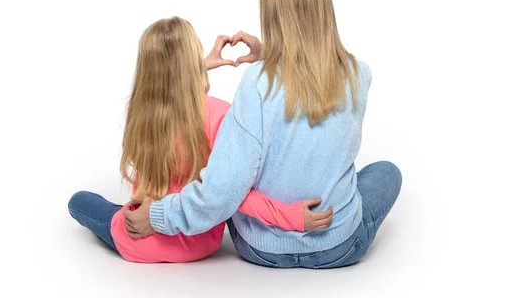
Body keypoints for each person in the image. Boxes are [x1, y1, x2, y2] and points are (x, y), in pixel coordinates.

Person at [124, 0, 402, 269]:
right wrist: (273, 53)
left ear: (273, 21)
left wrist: (158, 216)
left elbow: (223, 190)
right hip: (338, 247)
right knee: (386, 172)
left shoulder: (256, 82)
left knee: (235, 173)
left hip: (260, 249)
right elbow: (313, 68)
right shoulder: (358, 75)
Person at [67, 17, 332, 263]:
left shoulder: (140, 112)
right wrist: (290, 216)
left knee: (79, 201)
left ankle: (119, 214)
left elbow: (165, 85)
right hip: (198, 244)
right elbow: (232, 192)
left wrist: (190, 69)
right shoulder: (219, 114)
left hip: (136, 240)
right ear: (192, 60)